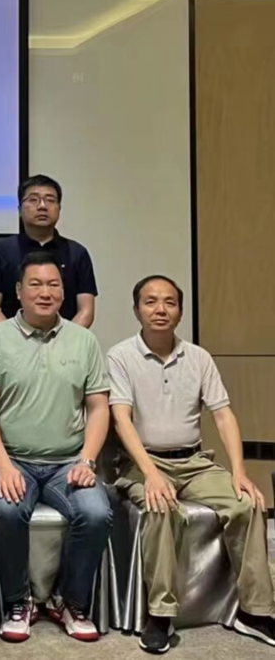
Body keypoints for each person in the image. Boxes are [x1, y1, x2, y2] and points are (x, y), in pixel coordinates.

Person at [108, 275, 275, 653]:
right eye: (151, 302)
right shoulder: (120, 356)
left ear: (180, 312)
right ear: (137, 310)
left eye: (169, 302)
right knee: (160, 505)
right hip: (143, 462)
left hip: (194, 461)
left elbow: (223, 416)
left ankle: (255, 611)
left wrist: (240, 472)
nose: (160, 309)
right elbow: (121, 420)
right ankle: (160, 614)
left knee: (248, 503)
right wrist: (150, 474)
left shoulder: (199, 357)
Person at [0, 251, 111, 643]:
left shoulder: (84, 341)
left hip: (69, 461)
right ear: (18, 291)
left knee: (96, 513)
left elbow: (99, 408)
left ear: (64, 292)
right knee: (6, 510)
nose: (45, 292)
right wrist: (3, 465)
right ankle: (19, 601)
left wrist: (87, 460)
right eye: (35, 284)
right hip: (13, 458)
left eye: (53, 285)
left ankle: (70, 600)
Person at [0, 174, 97, 328]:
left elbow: (86, 311)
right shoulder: (1, 250)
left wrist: (67, 339)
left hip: (65, 340)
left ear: (59, 209)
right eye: (33, 200)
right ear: (19, 209)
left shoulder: (77, 253)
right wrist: (12, 338)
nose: (42, 206)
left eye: (50, 200)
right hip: (12, 340)